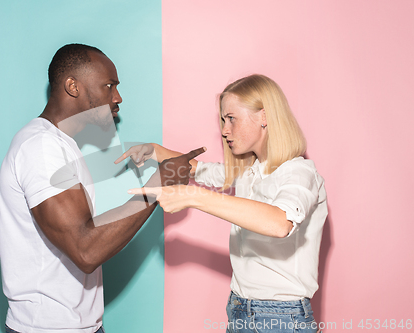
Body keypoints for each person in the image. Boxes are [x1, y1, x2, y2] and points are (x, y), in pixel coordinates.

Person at [0, 43, 205, 333]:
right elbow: (86, 250)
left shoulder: (60, 146)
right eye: (109, 86)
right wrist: (158, 185)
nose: (117, 97)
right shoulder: (41, 148)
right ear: (73, 86)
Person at [121, 74, 327, 333]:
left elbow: (279, 222)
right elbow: (197, 168)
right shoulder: (249, 171)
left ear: (264, 117)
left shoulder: (299, 172)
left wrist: (194, 197)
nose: (224, 130)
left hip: (281, 317)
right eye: (222, 120)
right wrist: (154, 150)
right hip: (240, 308)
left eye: (231, 118)